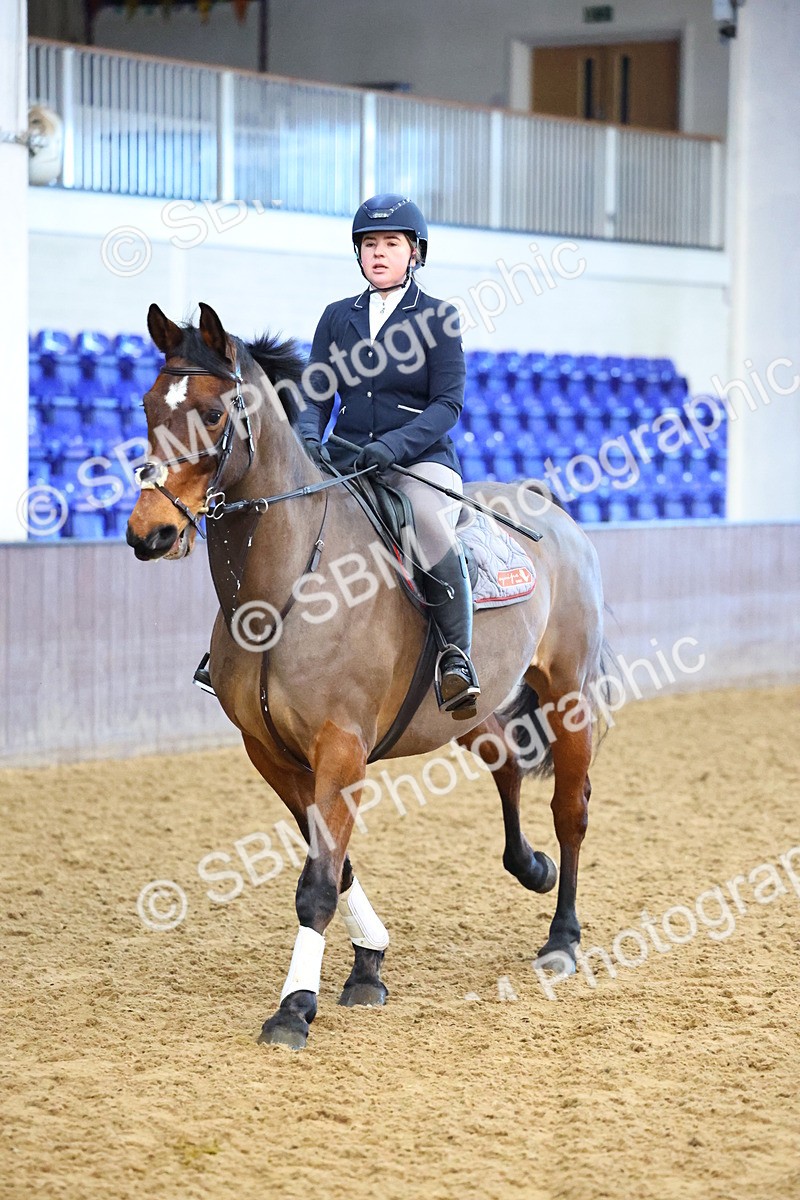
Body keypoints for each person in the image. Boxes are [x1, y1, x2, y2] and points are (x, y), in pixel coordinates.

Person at [297, 193, 480, 720]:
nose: (378, 253)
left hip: (417, 461)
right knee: (286, 517)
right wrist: (309, 437)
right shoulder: (337, 317)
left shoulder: (438, 317)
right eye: (370, 244)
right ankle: (244, 651)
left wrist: (393, 446)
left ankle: (456, 656)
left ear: (414, 252)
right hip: (348, 458)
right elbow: (316, 394)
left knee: (425, 520)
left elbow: (448, 404)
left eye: (391, 243)